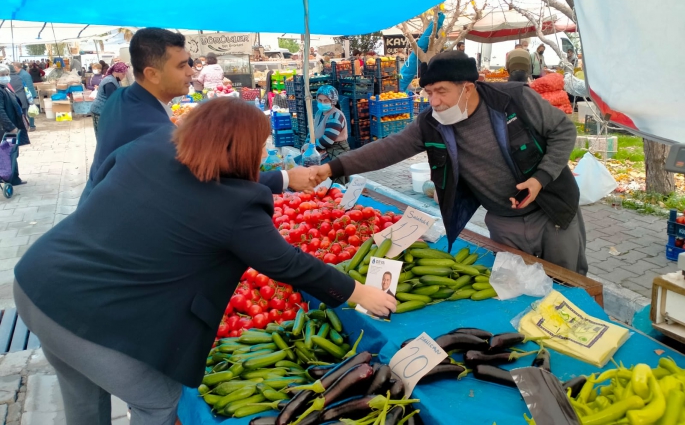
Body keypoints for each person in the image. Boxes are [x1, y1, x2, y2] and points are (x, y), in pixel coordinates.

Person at [13, 97, 396, 424]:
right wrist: (359, 292)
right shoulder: (239, 208)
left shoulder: (153, 147)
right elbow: (288, 263)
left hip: (37, 283)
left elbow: (203, 186)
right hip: (86, 316)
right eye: (261, 145)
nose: (263, 152)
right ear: (238, 148)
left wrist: (280, 179)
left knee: (82, 394)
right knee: (158, 401)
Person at [311, 52, 587, 274]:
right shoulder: (431, 123)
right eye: (429, 93)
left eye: (441, 92)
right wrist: (330, 168)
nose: (435, 102)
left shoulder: (513, 99)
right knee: (517, 287)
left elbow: (563, 131)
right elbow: (389, 148)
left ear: (467, 88)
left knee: (570, 283)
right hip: (504, 222)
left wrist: (541, 178)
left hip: (552, 211)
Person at [80, 28, 315, 204]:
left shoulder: (121, 99)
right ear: (152, 74)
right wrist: (285, 178)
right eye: (182, 65)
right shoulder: (153, 130)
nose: (191, 72)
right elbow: (202, 180)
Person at [314, 85, 350, 183]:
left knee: (317, 171)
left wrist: (311, 148)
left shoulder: (336, 115)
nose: (322, 103)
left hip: (336, 149)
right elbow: (312, 132)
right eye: (320, 100)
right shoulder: (319, 113)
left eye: (326, 101)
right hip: (319, 148)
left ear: (333, 101)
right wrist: (306, 144)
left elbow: (327, 140)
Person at [0, 66, 29, 185]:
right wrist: (11, 126)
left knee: (12, 152)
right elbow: (0, 111)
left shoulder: (5, 88)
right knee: (8, 153)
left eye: (7, 74)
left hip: (10, 126)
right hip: (6, 129)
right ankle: (10, 178)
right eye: (2, 75)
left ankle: (14, 177)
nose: (6, 77)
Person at [89, 62, 128, 136]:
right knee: (103, 135)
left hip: (104, 110)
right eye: (123, 74)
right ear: (117, 72)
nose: (124, 76)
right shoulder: (109, 82)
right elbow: (112, 100)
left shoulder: (115, 80)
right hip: (99, 111)